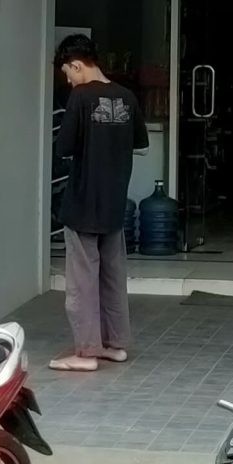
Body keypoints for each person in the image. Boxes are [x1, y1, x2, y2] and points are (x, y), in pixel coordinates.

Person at [51, 34, 146, 373]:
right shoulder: (127, 97)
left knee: (82, 281)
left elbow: (63, 148)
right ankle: (115, 345)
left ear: (77, 65)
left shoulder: (80, 97)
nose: (68, 80)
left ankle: (87, 352)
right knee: (112, 277)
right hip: (114, 203)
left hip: (82, 202)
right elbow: (140, 142)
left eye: (68, 73)